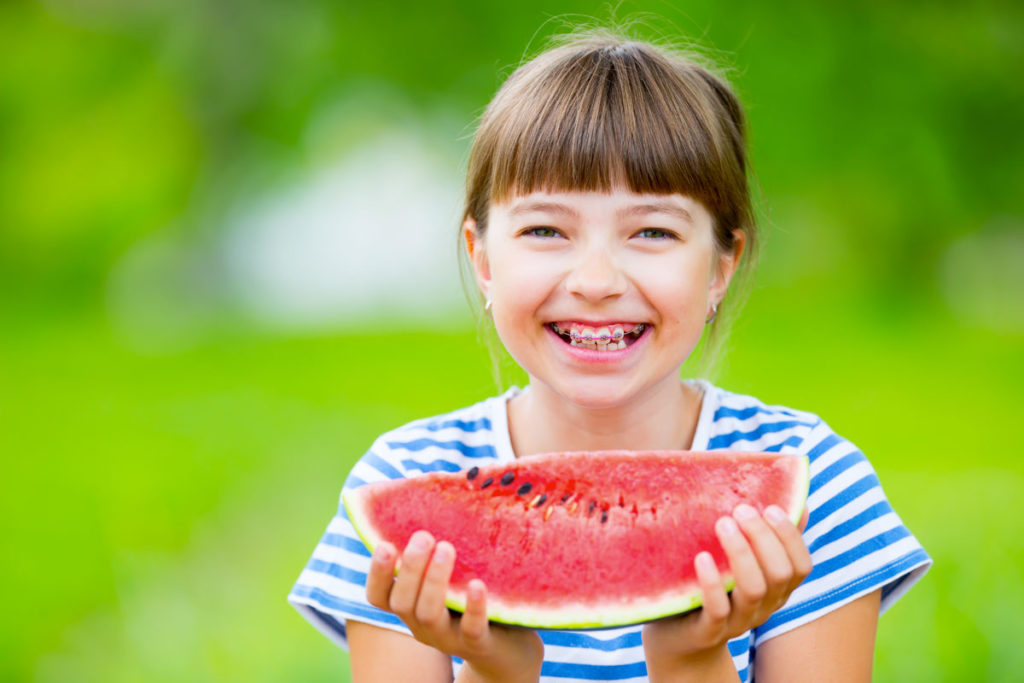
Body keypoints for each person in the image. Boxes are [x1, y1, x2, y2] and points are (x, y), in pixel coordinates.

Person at [288, 29, 931, 682]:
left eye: (652, 231)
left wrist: (692, 660)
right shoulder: (400, 485)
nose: (596, 280)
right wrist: (496, 671)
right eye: (545, 230)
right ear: (483, 260)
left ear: (720, 265)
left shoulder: (815, 484)